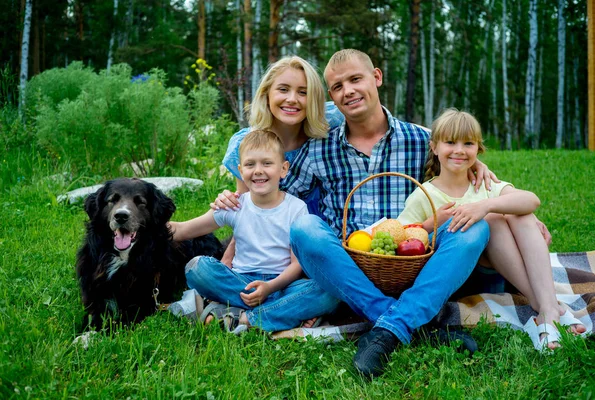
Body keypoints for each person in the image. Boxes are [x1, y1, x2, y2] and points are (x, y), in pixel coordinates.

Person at [215, 49, 501, 376]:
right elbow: (268, 191)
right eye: (337, 87)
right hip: (349, 265)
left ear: (376, 78)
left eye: (355, 80)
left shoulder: (421, 140)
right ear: (331, 99)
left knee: (474, 229)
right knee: (306, 228)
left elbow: (456, 153)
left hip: (415, 256)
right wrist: (233, 198)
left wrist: (474, 161)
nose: (348, 90)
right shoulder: (319, 148)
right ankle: (406, 322)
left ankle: (387, 328)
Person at [398, 108, 586, 351]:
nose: (459, 150)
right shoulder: (425, 195)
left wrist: (485, 205)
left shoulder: (484, 184)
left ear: (478, 150)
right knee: (495, 220)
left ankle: (548, 310)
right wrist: (431, 224)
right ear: (434, 147)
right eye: (450, 142)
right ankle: (549, 307)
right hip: (463, 279)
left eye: (468, 143)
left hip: (502, 278)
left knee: (518, 213)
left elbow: (531, 200)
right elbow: (402, 236)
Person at [170, 130, 339, 334]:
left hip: (282, 285)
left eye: (267, 163)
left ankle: (242, 317)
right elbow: (184, 229)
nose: (258, 170)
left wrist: (270, 288)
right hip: (241, 283)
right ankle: (284, 313)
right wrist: (144, 226)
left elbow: (297, 265)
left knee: (329, 292)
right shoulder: (235, 205)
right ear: (241, 171)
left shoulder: (296, 208)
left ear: (283, 169)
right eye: (250, 165)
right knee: (196, 268)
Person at [220, 55, 344, 217]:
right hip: (273, 231)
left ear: (314, 99)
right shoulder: (246, 144)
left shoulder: (330, 122)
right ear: (266, 93)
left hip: (322, 229)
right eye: (283, 89)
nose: (292, 99)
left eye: (303, 92)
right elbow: (247, 208)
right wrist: (229, 200)